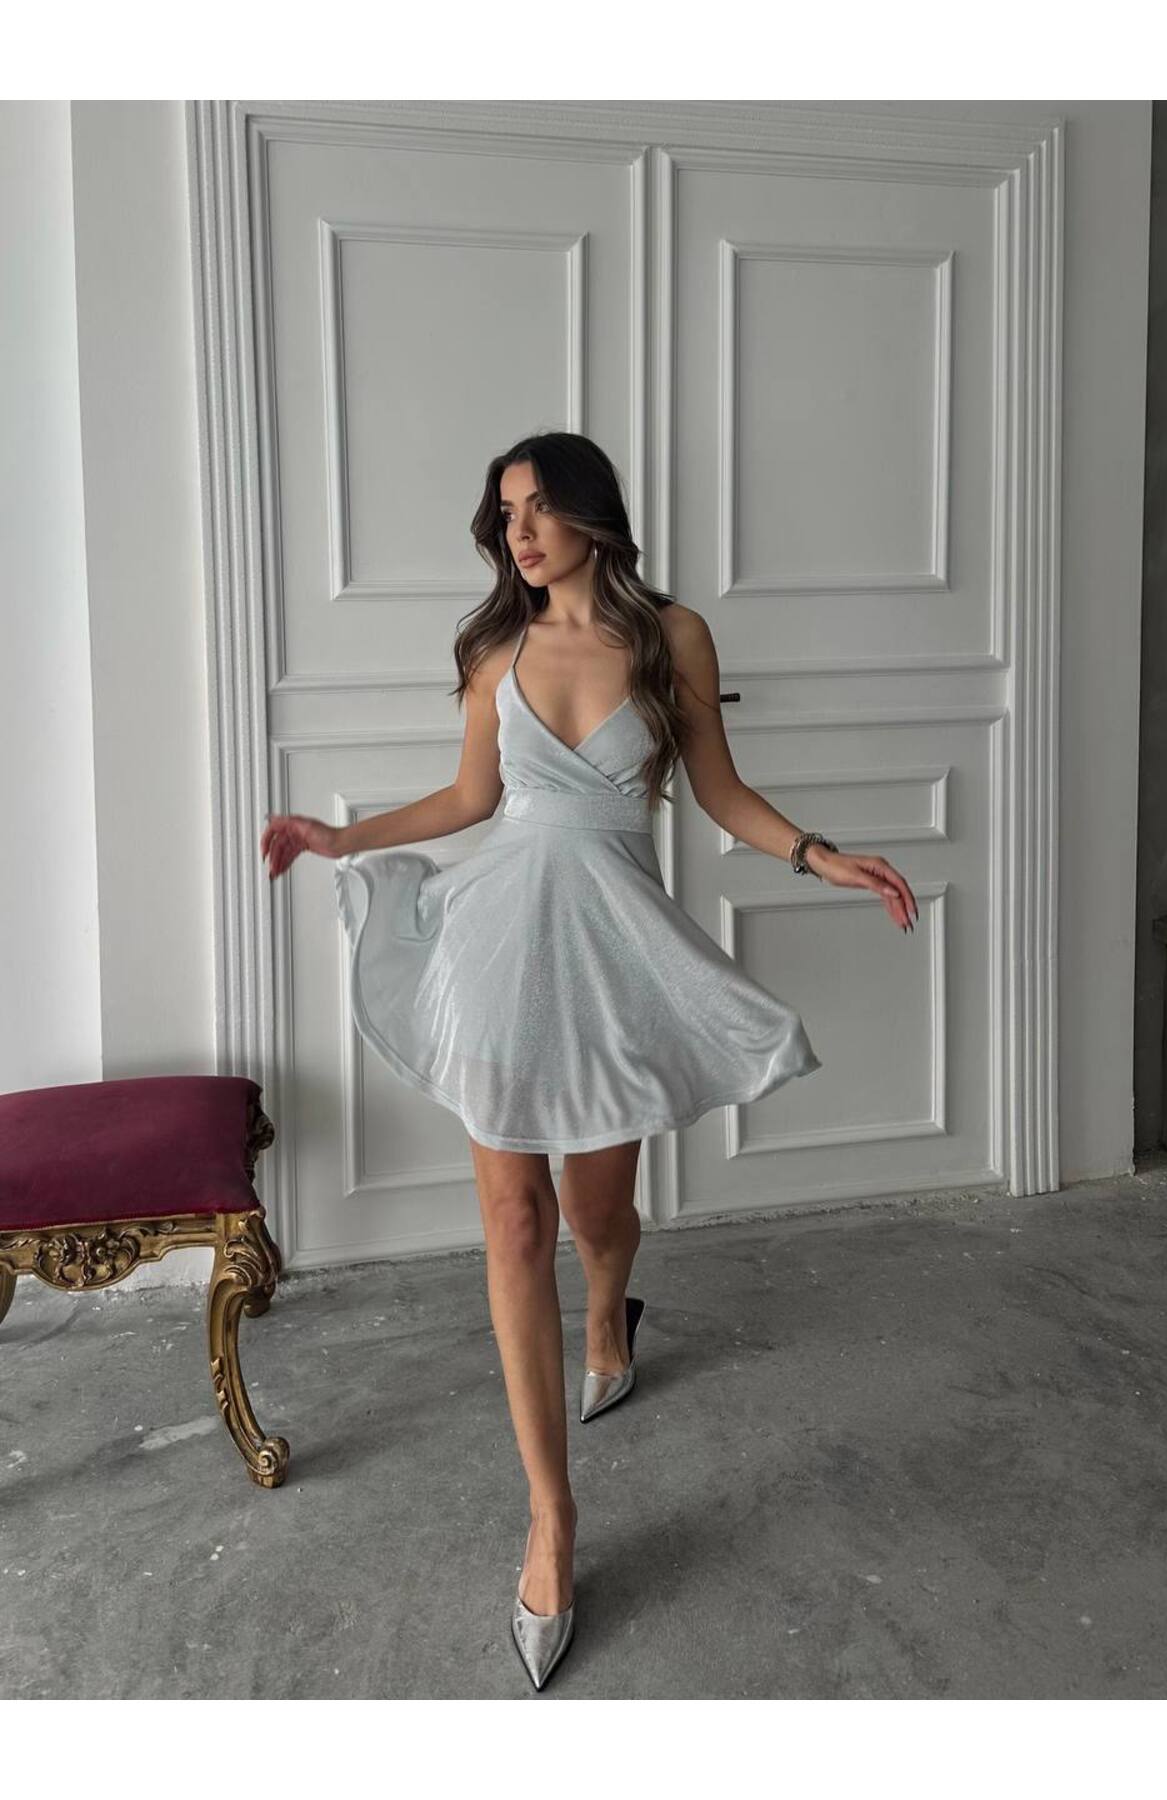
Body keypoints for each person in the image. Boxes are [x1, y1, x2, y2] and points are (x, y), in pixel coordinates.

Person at [259, 430, 918, 1691]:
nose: (518, 531)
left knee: (594, 1215)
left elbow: (719, 789)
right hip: (497, 946)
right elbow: (470, 801)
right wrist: (345, 839)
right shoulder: (495, 651)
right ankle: (551, 1520)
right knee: (514, 1222)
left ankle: (610, 1307)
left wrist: (815, 853)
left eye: (538, 506)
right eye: (503, 512)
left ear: (591, 513)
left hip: (612, 953)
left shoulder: (674, 637)